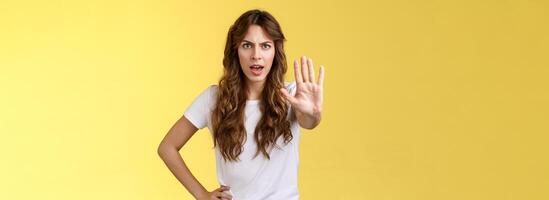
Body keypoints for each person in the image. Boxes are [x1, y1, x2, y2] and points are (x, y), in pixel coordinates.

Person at [157, 9, 325, 200]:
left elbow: (308, 121)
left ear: (275, 51)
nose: (256, 55)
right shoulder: (213, 99)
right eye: (247, 45)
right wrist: (202, 195)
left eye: (265, 46)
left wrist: (314, 113)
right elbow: (167, 147)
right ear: (235, 50)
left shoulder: (292, 94)